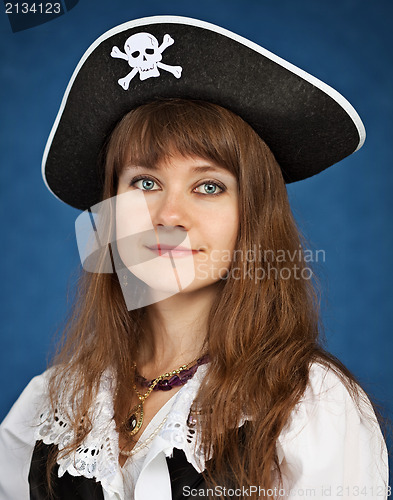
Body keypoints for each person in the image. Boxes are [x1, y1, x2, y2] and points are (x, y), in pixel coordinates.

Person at [0, 15, 388, 500]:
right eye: (145, 183)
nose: (169, 214)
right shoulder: (48, 402)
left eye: (208, 186)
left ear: (253, 216)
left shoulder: (311, 404)